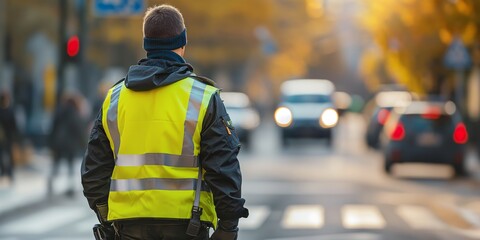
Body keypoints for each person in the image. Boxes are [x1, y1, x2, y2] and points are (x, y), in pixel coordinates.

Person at [81, 4, 248, 240]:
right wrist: (228, 224)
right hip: (188, 225)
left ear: (146, 43)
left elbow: (94, 168)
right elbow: (222, 164)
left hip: (128, 226)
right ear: (183, 41)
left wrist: (106, 216)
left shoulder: (115, 98)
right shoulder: (202, 97)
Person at [48, 93, 86, 197]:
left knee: (56, 164)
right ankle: (70, 188)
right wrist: (84, 143)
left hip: (58, 142)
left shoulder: (59, 111)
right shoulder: (74, 113)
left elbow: (53, 127)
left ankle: (50, 183)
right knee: (70, 166)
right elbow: (78, 129)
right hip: (70, 144)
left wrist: (51, 143)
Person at [0, 91, 19, 181]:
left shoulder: (10, 110)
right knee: (4, 155)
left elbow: (14, 125)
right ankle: (4, 172)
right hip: (4, 137)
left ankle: (9, 172)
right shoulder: (7, 111)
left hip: (8, 137)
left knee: (8, 155)